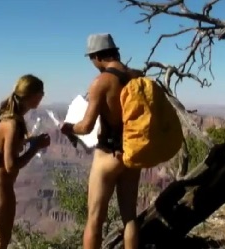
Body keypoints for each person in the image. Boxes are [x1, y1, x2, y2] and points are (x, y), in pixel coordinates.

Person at [60, 33, 144, 249]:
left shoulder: (101, 82)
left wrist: (69, 127)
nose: (92, 63)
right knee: (129, 218)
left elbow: (86, 126)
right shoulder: (137, 76)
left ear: (97, 56)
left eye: (91, 58)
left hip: (108, 154)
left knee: (95, 219)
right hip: (132, 153)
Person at [0, 74, 50, 249]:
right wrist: (36, 148)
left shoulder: (7, 116)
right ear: (32, 95)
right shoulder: (12, 123)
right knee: (1, 240)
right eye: (41, 92)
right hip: (0, 185)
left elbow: (4, 146)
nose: (43, 95)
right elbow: (10, 166)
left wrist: (29, 141)